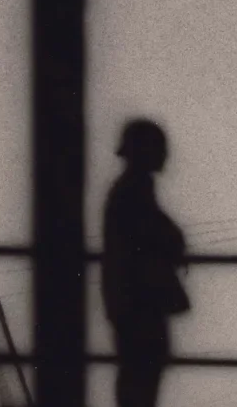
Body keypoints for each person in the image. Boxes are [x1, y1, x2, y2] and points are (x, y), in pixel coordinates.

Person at [102, 119, 189, 407]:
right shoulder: (134, 190)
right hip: (140, 303)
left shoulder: (130, 189)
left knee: (137, 377)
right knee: (142, 378)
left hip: (130, 304)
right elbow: (152, 235)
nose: (166, 155)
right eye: (160, 148)